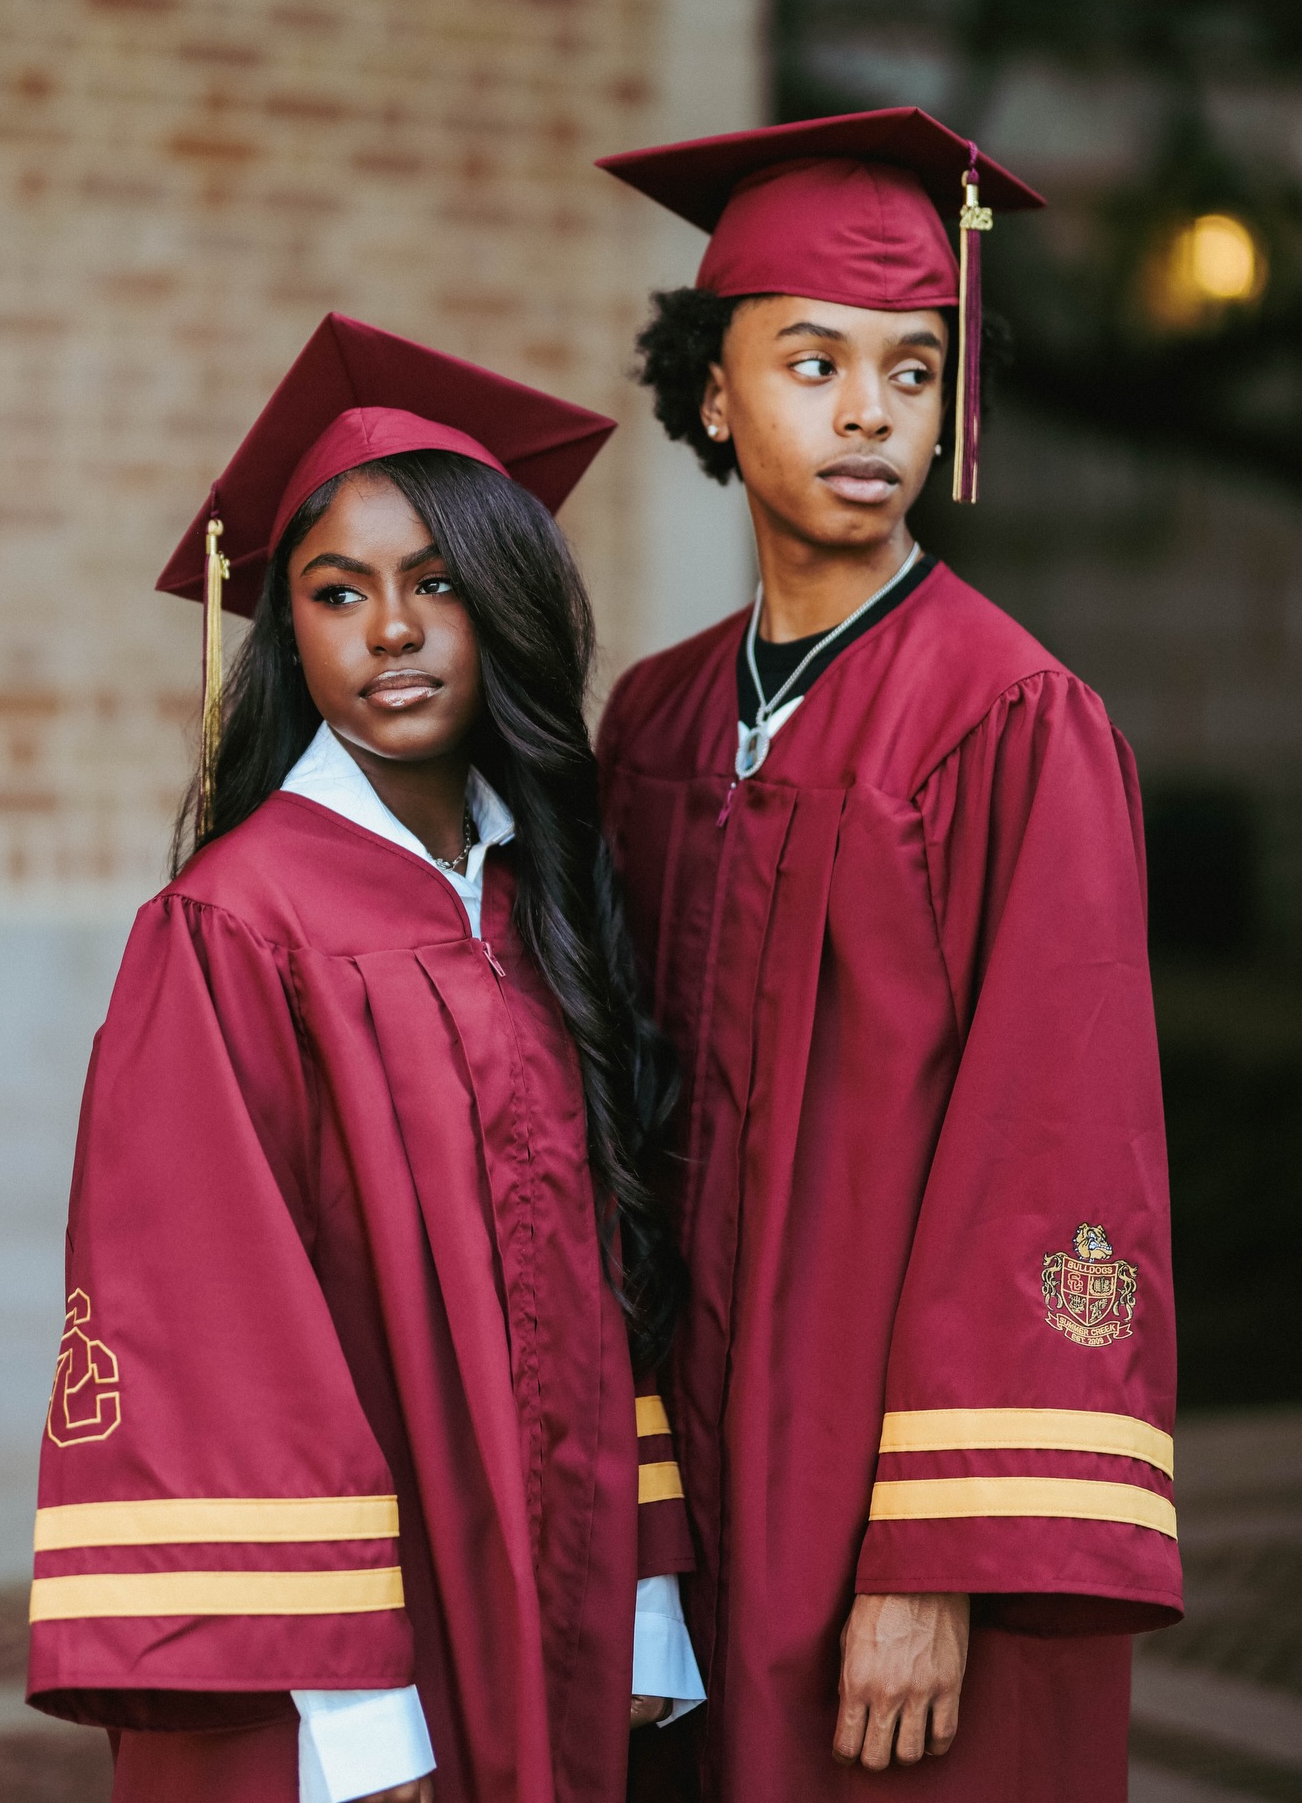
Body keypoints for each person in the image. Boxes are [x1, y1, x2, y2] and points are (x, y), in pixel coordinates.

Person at [25, 314, 705, 1803]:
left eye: (436, 585)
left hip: (562, 1609)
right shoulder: (229, 928)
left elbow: (610, 1269)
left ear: (508, 609)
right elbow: (216, 1334)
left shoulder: (548, 901)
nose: (390, 631)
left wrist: (647, 1595)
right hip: (360, 1673)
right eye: (337, 594)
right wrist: (354, 1712)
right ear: (289, 633)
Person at [593, 110, 1183, 1803]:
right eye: (814, 362)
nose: (870, 413)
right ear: (715, 391)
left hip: (880, 1493)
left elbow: (1056, 1153)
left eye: (915, 372)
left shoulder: (1013, 722)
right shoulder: (660, 717)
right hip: (690, 1487)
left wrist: (935, 1560)